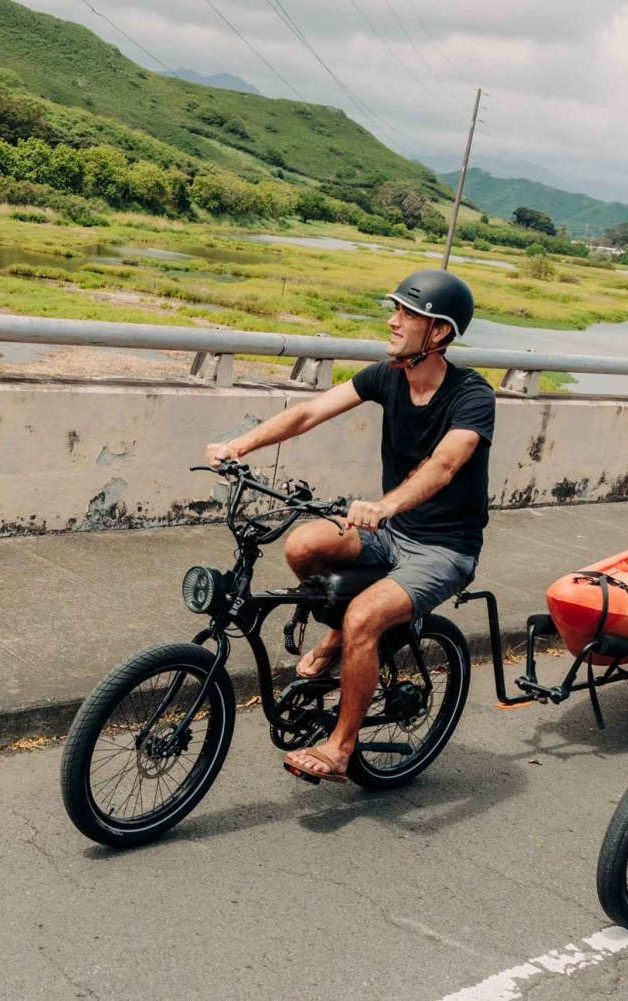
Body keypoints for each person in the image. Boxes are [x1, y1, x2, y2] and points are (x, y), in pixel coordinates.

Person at [205, 269, 495, 785]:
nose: (393, 320)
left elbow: (446, 464)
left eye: (408, 314)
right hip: (389, 531)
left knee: (363, 616)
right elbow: (310, 412)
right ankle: (339, 641)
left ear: (440, 333)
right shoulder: (386, 376)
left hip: (443, 548)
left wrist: (386, 505)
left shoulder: (472, 395)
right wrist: (237, 446)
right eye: (397, 309)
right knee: (303, 545)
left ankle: (341, 746)